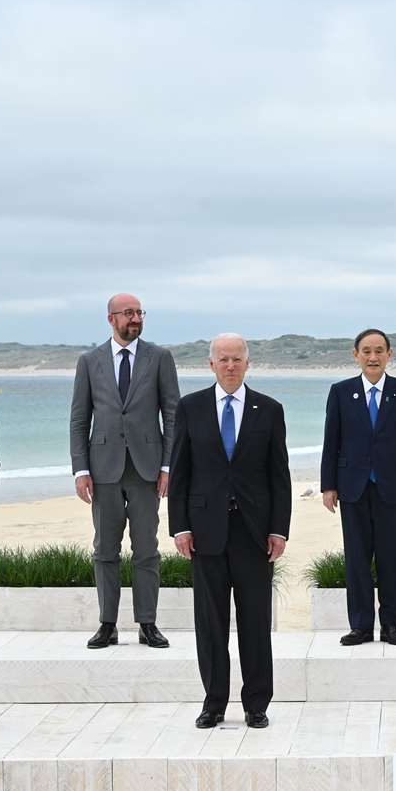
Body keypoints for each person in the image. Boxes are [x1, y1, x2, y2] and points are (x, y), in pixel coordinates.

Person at [168, 334, 291, 729]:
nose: (231, 365)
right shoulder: (190, 408)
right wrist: (180, 527)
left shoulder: (269, 410)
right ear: (211, 364)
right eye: (223, 359)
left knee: (255, 623)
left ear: (247, 363)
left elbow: (279, 477)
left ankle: (257, 705)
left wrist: (279, 530)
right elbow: (180, 473)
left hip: (254, 534)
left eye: (237, 359)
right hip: (205, 533)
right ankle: (214, 703)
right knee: (210, 623)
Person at [69, 293, 180, 650]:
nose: (135, 318)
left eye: (139, 312)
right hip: (103, 470)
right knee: (104, 549)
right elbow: (79, 419)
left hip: (147, 469)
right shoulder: (89, 361)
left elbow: (172, 414)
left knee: (147, 548)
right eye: (128, 313)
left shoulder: (160, 358)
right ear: (111, 318)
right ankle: (107, 624)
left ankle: (148, 623)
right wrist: (80, 470)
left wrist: (168, 466)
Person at [320, 329, 396, 646]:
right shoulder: (340, 392)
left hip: (392, 487)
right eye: (366, 351)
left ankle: (393, 624)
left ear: (389, 355)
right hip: (352, 487)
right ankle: (361, 625)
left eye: (379, 350)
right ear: (356, 355)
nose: (373, 357)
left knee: (392, 558)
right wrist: (328, 486)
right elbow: (331, 442)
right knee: (356, 559)